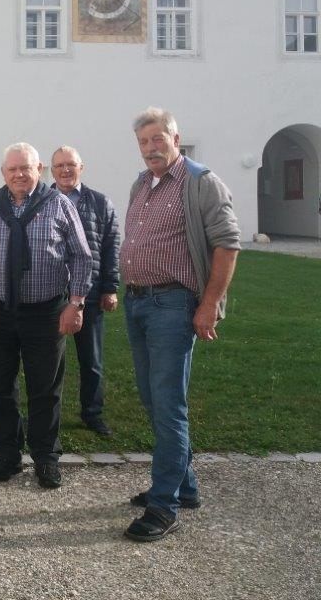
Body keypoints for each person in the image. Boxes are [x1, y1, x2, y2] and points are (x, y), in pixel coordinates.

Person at [121, 108, 239, 542]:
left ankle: (164, 506)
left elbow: (228, 245)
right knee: (152, 399)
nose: (150, 147)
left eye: (157, 139)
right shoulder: (142, 182)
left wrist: (209, 305)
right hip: (137, 302)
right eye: (143, 142)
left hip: (173, 303)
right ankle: (183, 486)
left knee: (168, 404)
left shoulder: (201, 182)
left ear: (175, 137)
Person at [0, 143, 92, 490]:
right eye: (12, 170)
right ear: (3, 173)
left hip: (46, 312)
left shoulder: (58, 204)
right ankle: (7, 454)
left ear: (39, 169)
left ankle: (45, 457)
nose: (19, 175)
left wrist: (76, 303)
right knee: (0, 388)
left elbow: (81, 257)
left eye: (26, 168)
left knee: (45, 388)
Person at [49, 145, 120, 437]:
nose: (66, 170)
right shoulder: (41, 200)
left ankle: (92, 413)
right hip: (50, 295)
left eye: (71, 165)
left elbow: (110, 247)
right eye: (60, 166)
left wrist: (110, 287)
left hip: (88, 293)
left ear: (82, 167)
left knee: (91, 361)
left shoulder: (100, 203)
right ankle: (47, 415)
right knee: (50, 362)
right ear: (50, 171)